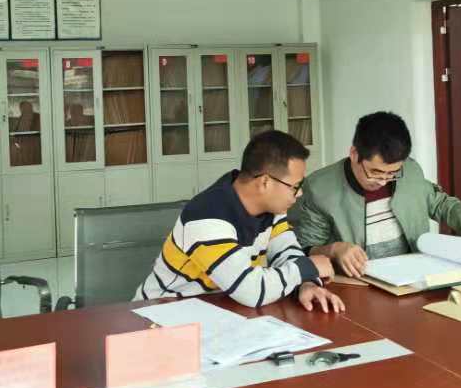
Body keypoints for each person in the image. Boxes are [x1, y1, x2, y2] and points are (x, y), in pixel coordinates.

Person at [136, 130, 344, 313]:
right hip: (161, 313)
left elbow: (286, 252)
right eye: (295, 186)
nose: (299, 194)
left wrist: (307, 284)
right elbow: (251, 291)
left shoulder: (272, 209)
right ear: (265, 182)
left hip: (220, 309)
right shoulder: (206, 216)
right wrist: (307, 268)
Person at [289, 111, 461, 278]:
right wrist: (335, 249)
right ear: (354, 154)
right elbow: (304, 249)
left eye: (393, 173)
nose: (383, 181)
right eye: (375, 172)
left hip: (412, 276)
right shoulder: (319, 188)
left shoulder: (410, 170)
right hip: (359, 283)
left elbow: (440, 204)